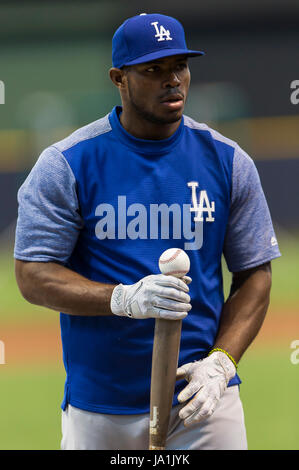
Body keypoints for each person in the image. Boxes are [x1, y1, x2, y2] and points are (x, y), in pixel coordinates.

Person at [14, 13, 281, 450]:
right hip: (100, 409)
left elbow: (255, 275)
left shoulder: (228, 161)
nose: (172, 80)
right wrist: (123, 298)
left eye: (179, 66)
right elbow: (33, 275)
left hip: (204, 403)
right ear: (119, 78)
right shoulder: (68, 163)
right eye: (153, 70)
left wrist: (221, 363)